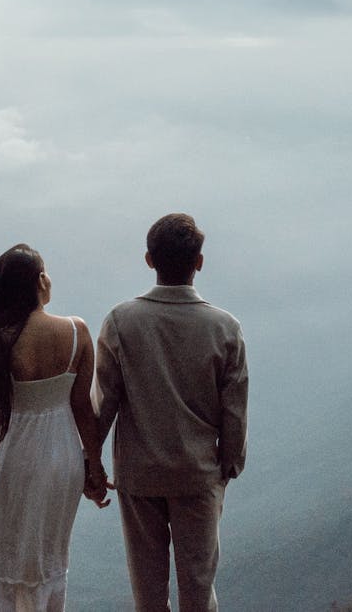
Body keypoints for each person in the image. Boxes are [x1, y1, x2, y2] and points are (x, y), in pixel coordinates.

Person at [89, 213, 248, 612]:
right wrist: (228, 465)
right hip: (198, 475)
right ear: (199, 262)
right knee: (198, 588)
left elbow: (102, 403)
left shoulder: (121, 322)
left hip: (138, 476)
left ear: (148, 259)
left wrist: (91, 467)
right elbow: (234, 410)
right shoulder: (224, 328)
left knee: (148, 593)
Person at [0, 243, 111, 612]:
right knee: (44, 559)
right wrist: (94, 467)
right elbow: (83, 407)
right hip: (59, 458)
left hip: (5, 454)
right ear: (41, 281)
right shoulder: (76, 332)